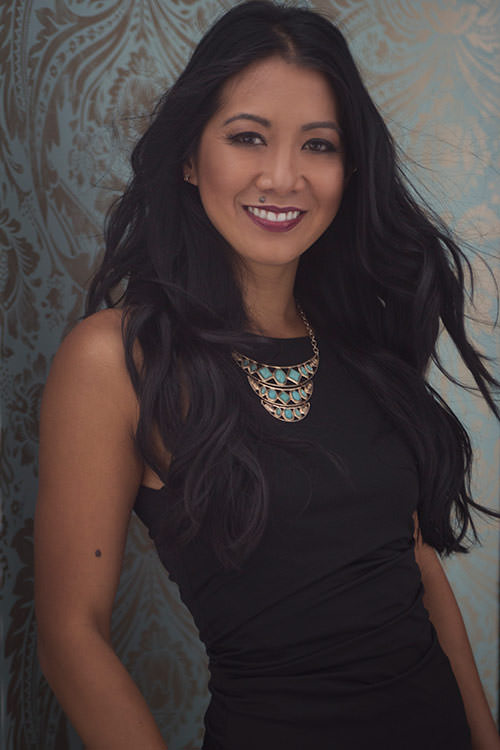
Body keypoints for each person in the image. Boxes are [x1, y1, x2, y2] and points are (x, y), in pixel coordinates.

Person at [34, 2, 500, 748]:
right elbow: (70, 635)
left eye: (319, 144)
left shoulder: (361, 341)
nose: (283, 176)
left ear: (350, 169)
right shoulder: (118, 359)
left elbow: (413, 563)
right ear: (190, 157)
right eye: (248, 136)